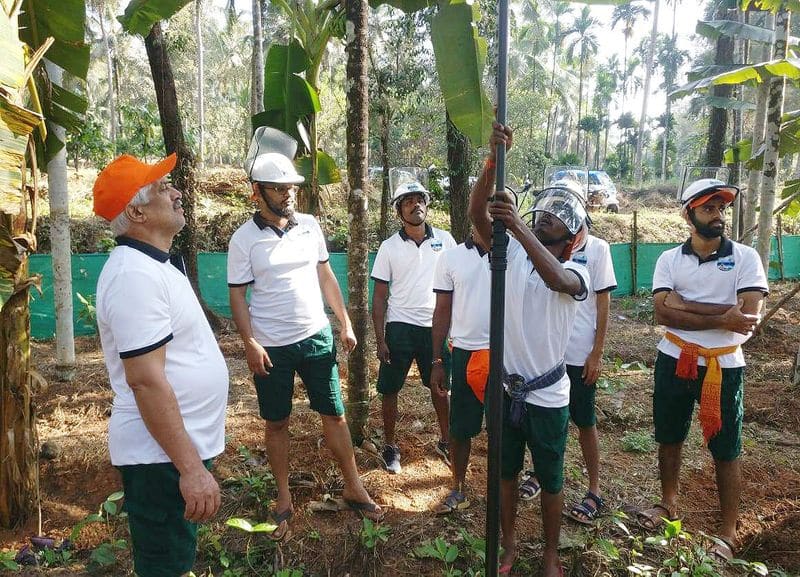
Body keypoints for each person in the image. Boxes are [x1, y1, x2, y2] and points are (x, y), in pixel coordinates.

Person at [227, 150, 382, 539]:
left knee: (334, 413)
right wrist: (249, 343)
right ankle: (283, 499)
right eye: (278, 189)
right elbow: (237, 298)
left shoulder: (310, 226)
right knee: (277, 421)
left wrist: (344, 323)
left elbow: (327, 277)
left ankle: (353, 486)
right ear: (256, 193)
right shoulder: (243, 240)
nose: (288, 194)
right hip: (271, 346)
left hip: (315, 337)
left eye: (291, 187)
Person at [93, 153, 229, 577]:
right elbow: (146, 381)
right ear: (136, 212)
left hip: (171, 450)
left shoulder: (156, 264)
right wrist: (189, 468)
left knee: (174, 562)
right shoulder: (134, 275)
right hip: (161, 458)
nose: (177, 191)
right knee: (164, 567)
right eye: (162, 188)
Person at [470, 123, 590, 577]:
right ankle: (508, 545)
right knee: (503, 474)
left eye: (556, 221)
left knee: (552, 478)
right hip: (505, 388)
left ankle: (551, 554)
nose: (546, 219)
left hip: (548, 394)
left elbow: (557, 280)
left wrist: (518, 225)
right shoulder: (515, 253)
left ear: (572, 238)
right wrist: (491, 164)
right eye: (542, 215)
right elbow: (478, 218)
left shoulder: (578, 274)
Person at [638, 178, 767, 563]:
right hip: (675, 358)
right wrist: (719, 314)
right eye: (709, 208)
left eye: (721, 209)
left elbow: (746, 319)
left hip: (723, 366)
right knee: (669, 435)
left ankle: (728, 530)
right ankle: (668, 504)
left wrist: (686, 306)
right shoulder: (668, 260)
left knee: (726, 447)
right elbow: (662, 312)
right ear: (688, 214)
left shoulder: (745, 258)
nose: (718, 215)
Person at [519, 219, 617, 526]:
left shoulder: (598, 249)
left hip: (578, 353)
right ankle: (538, 472)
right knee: (538, 420)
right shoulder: (540, 244)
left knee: (584, 419)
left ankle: (594, 489)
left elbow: (602, 302)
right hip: (546, 356)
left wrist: (596, 352)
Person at [371, 181, 457, 473]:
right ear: (398, 211)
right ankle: (390, 446)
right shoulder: (389, 247)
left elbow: (459, 283)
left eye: (419, 199)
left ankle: (446, 441)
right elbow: (380, 295)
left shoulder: (446, 240)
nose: (415, 204)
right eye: (407, 201)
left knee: (440, 386)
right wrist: (380, 339)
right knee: (390, 388)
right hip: (399, 327)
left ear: (427, 204)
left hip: (436, 326)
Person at [430, 230, 490, 514]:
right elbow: (442, 309)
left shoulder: (513, 253)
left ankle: (502, 487)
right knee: (460, 427)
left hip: (505, 352)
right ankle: (459, 487)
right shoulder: (451, 257)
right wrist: (437, 361)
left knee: (505, 427)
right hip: (465, 352)